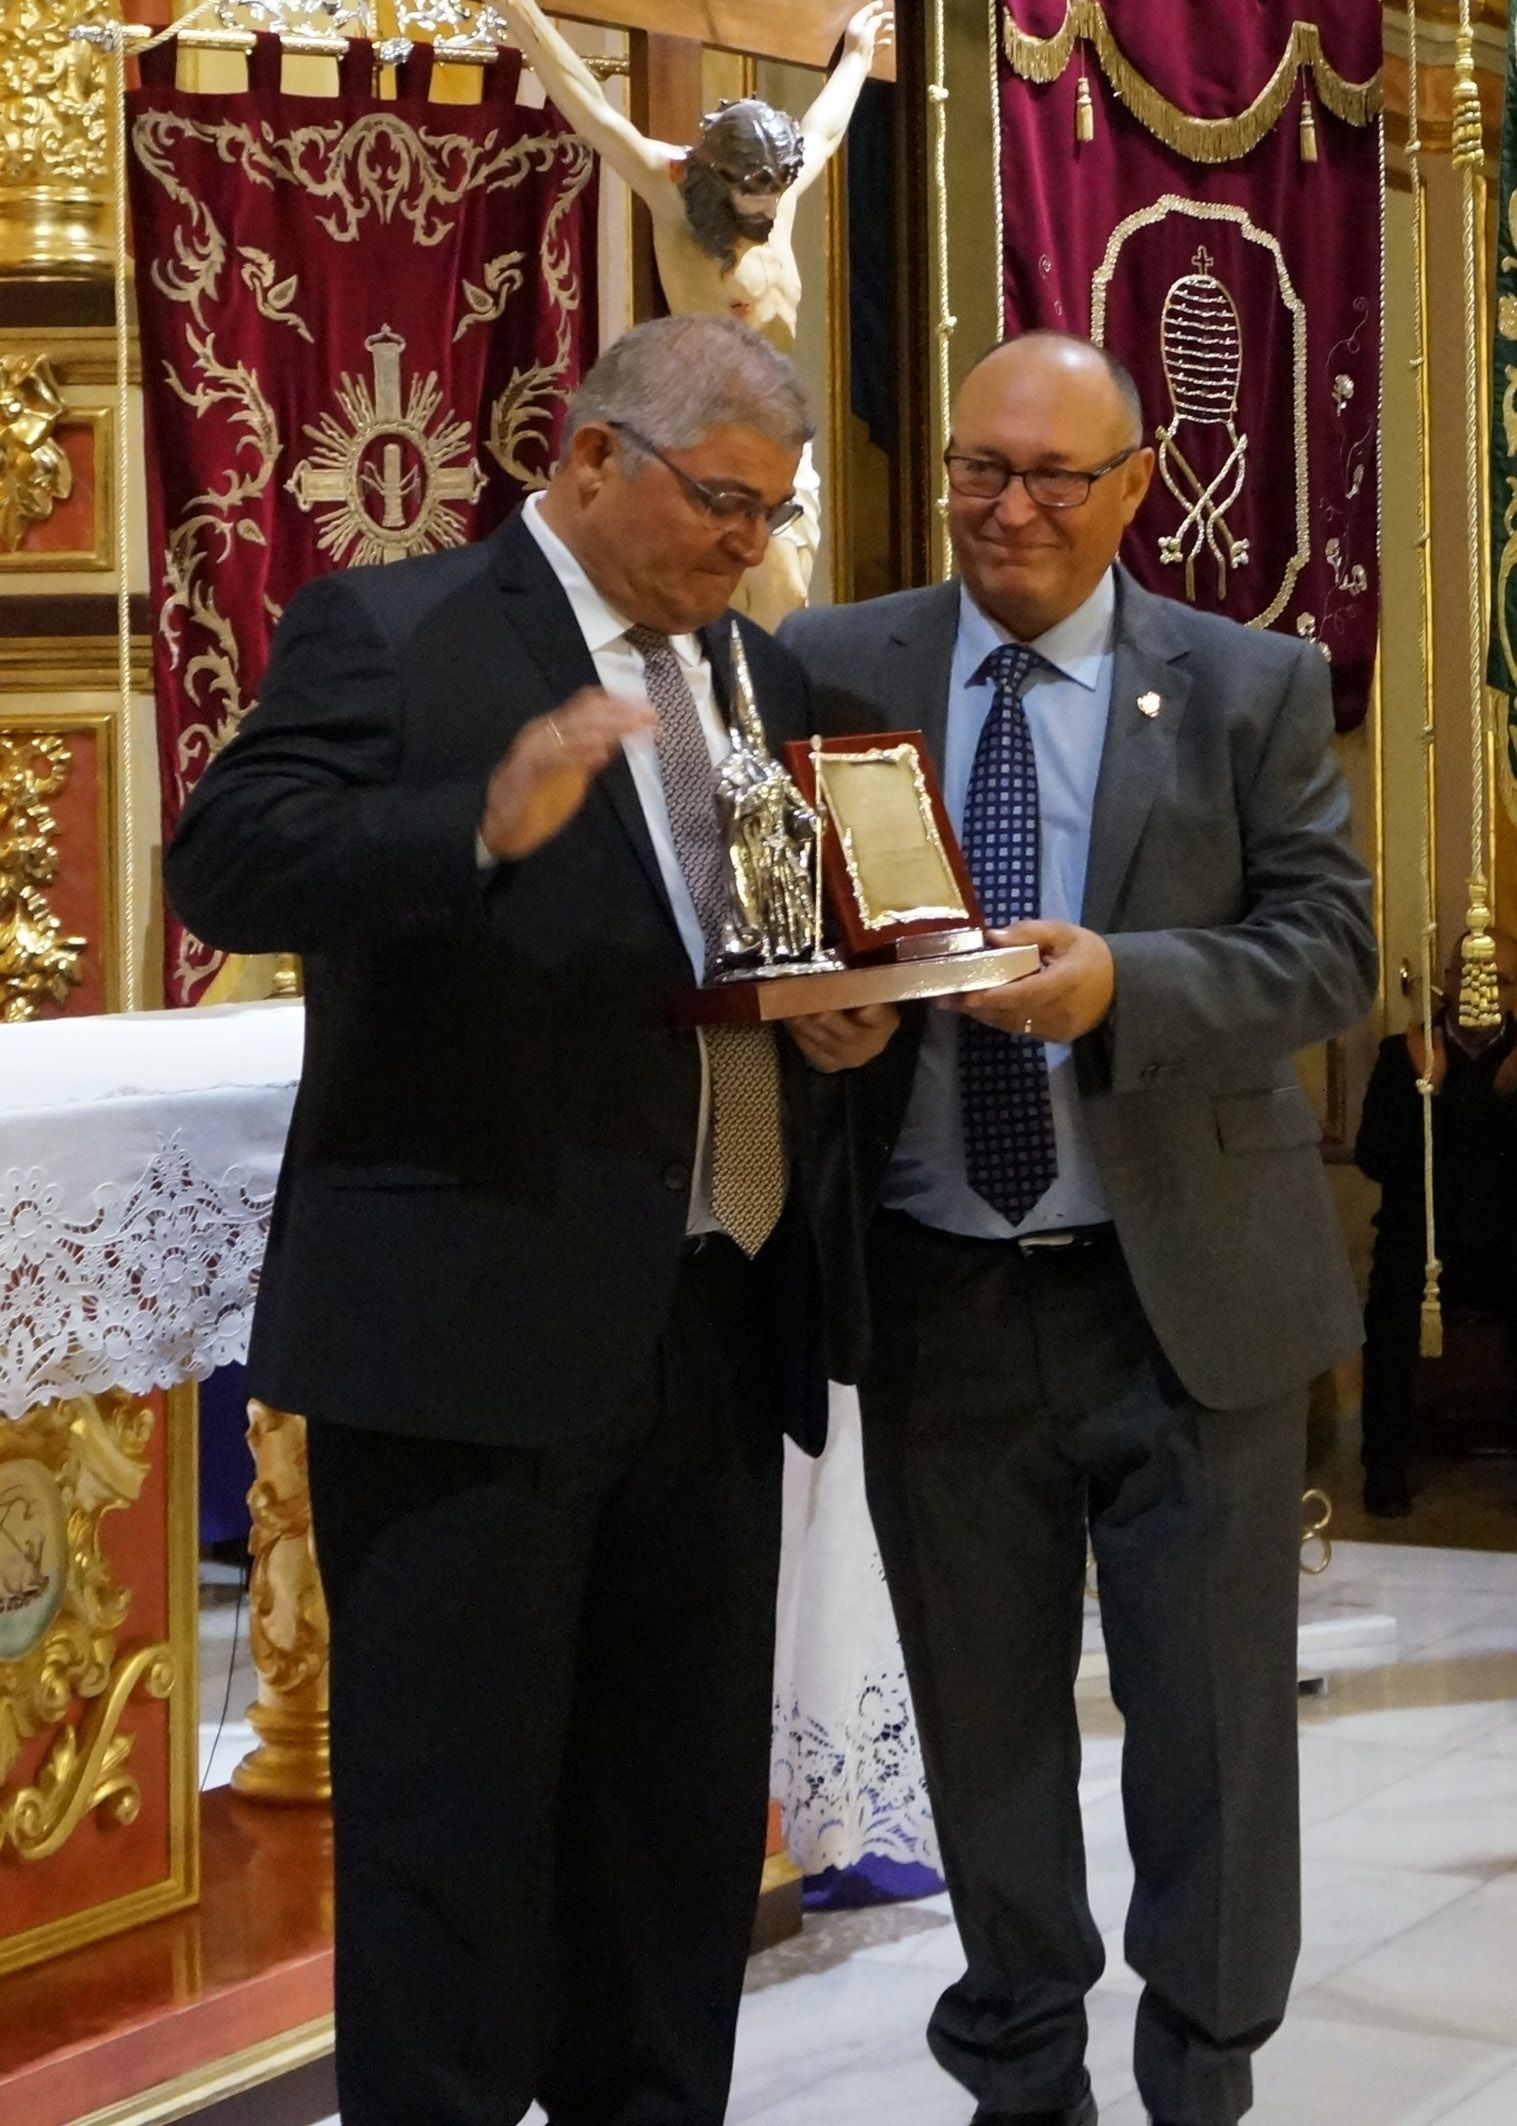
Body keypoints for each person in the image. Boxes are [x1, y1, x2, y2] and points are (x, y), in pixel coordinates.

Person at [164, 313, 894, 2126]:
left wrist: (841, 1020)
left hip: (715, 1329)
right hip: (467, 1336)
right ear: (586, 461)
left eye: (771, 511)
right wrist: (475, 826)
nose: (749, 542)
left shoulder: (759, 678)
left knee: (669, 1840)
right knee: (453, 1849)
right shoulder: (399, 631)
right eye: (723, 501)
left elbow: (758, 956)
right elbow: (229, 859)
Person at [780, 332, 1377, 2126]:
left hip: (1177, 1292)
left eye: (1053, 476)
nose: (1007, 508)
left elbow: (1328, 951)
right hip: (938, 1288)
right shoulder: (830, 663)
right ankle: (1020, 2079)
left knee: (1209, 1745)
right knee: (987, 1738)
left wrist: (1127, 978)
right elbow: (765, 912)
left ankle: (1202, 2079)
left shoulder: (1245, 684)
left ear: (1133, 487)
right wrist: (814, 1013)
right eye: (977, 467)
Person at [499, 0, 893, 625]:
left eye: (773, 195)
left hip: (778, 422)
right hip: (701, 422)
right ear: (717, 178)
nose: (765, 213)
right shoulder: (671, 186)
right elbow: (589, 107)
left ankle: (770, 706)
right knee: (700, 592)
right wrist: (518, 12)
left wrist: (856, 59)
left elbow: (823, 130)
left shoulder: (779, 190)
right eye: (750, 196)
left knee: (787, 589)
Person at [1354, 931, 1517, 1516]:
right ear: (1449, 981)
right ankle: (1385, 1469)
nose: (1487, 989)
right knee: (1390, 1308)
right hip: (1422, 1243)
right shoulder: (1407, 1054)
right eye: (1476, 974)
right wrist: (1434, 1091)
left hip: (1506, 1240)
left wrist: (1506, 1099)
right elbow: (1374, 1156)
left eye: (1501, 979)